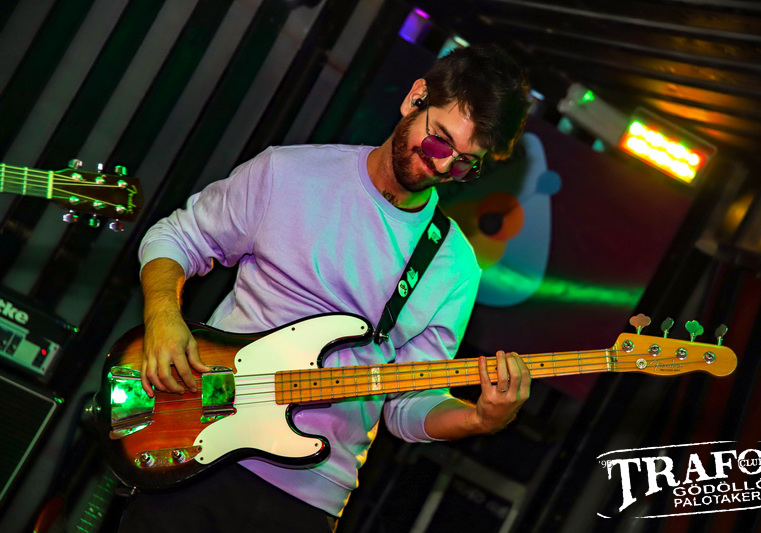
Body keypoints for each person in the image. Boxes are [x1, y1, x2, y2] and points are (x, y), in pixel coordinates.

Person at [119, 44, 532, 532]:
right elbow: (176, 237)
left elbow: (406, 405)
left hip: (308, 502)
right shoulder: (289, 172)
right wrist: (163, 316)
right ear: (415, 98)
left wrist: (481, 419)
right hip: (199, 451)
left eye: (465, 164)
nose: (442, 168)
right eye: (441, 142)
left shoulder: (453, 266)